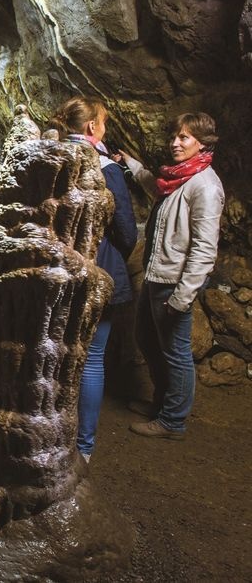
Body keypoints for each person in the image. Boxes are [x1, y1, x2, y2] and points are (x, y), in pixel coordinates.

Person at [120, 112, 224, 439]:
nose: (175, 143)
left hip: (173, 284)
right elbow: (155, 186)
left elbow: (205, 251)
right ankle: (162, 403)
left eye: (184, 138)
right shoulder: (177, 178)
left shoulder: (205, 187)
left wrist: (182, 296)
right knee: (147, 340)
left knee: (176, 353)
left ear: (202, 143)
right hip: (156, 275)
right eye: (175, 136)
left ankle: (173, 421)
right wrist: (131, 164)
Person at [49, 96, 137, 462]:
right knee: (92, 358)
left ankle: (48, 435)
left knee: (53, 353)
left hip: (54, 272)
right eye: (102, 123)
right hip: (96, 270)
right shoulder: (106, 169)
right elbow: (127, 232)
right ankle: (82, 448)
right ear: (91, 128)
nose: (104, 129)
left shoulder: (48, 158)